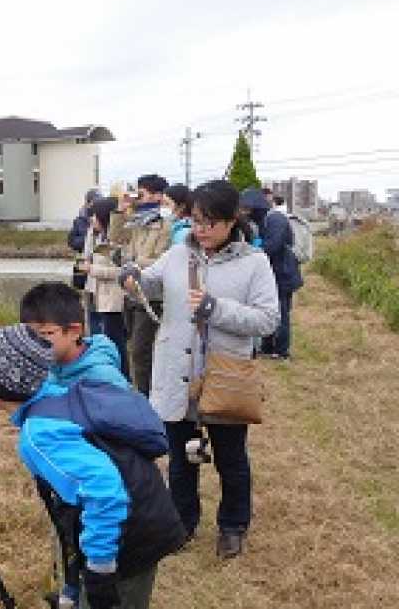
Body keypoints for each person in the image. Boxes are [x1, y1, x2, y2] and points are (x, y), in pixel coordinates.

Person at [0, 318, 185, 609]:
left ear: (4, 384)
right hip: (142, 515)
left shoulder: (38, 434)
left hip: (128, 538)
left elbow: (104, 491)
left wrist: (99, 569)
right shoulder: (57, 396)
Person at [118, 179, 279, 559]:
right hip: (176, 370)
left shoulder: (254, 262)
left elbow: (268, 319)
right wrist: (132, 278)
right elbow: (152, 283)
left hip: (223, 374)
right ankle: (182, 523)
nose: (201, 230)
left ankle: (233, 526)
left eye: (211, 222)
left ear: (231, 220)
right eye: (196, 221)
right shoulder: (177, 254)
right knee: (180, 456)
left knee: (230, 458)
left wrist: (215, 308)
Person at [124, 174, 172, 397]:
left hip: (152, 295)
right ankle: (143, 392)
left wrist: (135, 264)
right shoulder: (139, 221)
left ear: (156, 195)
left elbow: (165, 260)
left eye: (141, 193)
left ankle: (146, 396)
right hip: (132, 291)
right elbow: (117, 238)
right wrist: (120, 209)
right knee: (135, 349)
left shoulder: (165, 224)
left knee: (141, 350)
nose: (138, 197)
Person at [82, 197, 130, 380]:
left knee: (115, 341)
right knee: (98, 338)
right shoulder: (95, 235)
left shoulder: (117, 240)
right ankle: (104, 374)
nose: (91, 219)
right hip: (95, 294)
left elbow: (121, 271)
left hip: (112, 298)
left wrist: (92, 269)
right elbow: (87, 255)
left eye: (94, 215)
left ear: (104, 216)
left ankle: (122, 378)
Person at [259, 194, 303, 359]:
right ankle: (268, 347)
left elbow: (273, 245)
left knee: (281, 312)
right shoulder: (270, 219)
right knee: (270, 309)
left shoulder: (275, 219)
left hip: (283, 273)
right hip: (278, 271)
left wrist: (257, 250)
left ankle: (282, 351)